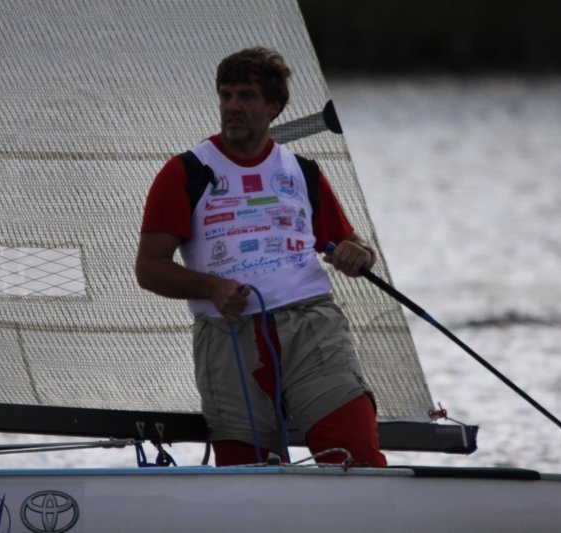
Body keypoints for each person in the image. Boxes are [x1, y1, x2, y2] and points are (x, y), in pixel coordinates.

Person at [136, 46, 386, 467]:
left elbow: (354, 247)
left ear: (273, 107)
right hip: (229, 335)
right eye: (226, 95)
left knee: (356, 454)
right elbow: (149, 269)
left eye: (247, 96)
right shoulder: (185, 172)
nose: (232, 106)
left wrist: (358, 253)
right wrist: (213, 287)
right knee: (248, 471)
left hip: (311, 328)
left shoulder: (303, 171)